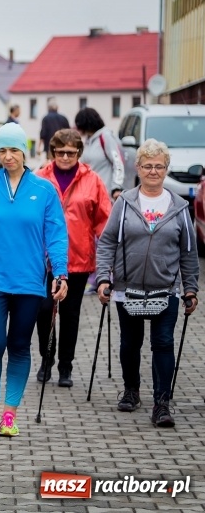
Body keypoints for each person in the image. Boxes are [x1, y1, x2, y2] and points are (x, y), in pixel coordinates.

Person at [0, 122, 68, 439]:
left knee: (19, 345)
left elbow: (57, 236)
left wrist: (60, 271)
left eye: (13, 150)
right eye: (2, 150)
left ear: (24, 151)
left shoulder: (44, 190)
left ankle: (10, 413)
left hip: (30, 281)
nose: (7, 156)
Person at [96, 138, 199, 428]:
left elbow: (188, 253)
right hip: (127, 290)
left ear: (166, 169)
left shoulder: (179, 208)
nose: (153, 171)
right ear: (138, 168)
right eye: (147, 166)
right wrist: (104, 278)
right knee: (130, 344)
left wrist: (190, 288)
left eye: (159, 166)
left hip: (166, 290)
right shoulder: (125, 203)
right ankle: (131, 391)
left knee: (163, 343)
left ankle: (161, 404)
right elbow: (106, 244)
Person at [34, 129, 111, 386]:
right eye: (60, 151)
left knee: (70, 314)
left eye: (71, 152)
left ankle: (66, 366)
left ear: (79, 152)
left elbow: (105, 220)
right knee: (44, 310)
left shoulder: (93, 180)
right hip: (43, 261)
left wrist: (112, 256)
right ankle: (47, 359)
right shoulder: (39, 177)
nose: (66, 156)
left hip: (77, 258)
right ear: (53, 152)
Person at [76, 107, 125, 200]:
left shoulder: (106, 137)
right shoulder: (88, 141)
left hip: (106, 195)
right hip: (90, 195)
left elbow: (118, 162)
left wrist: (116, 187)